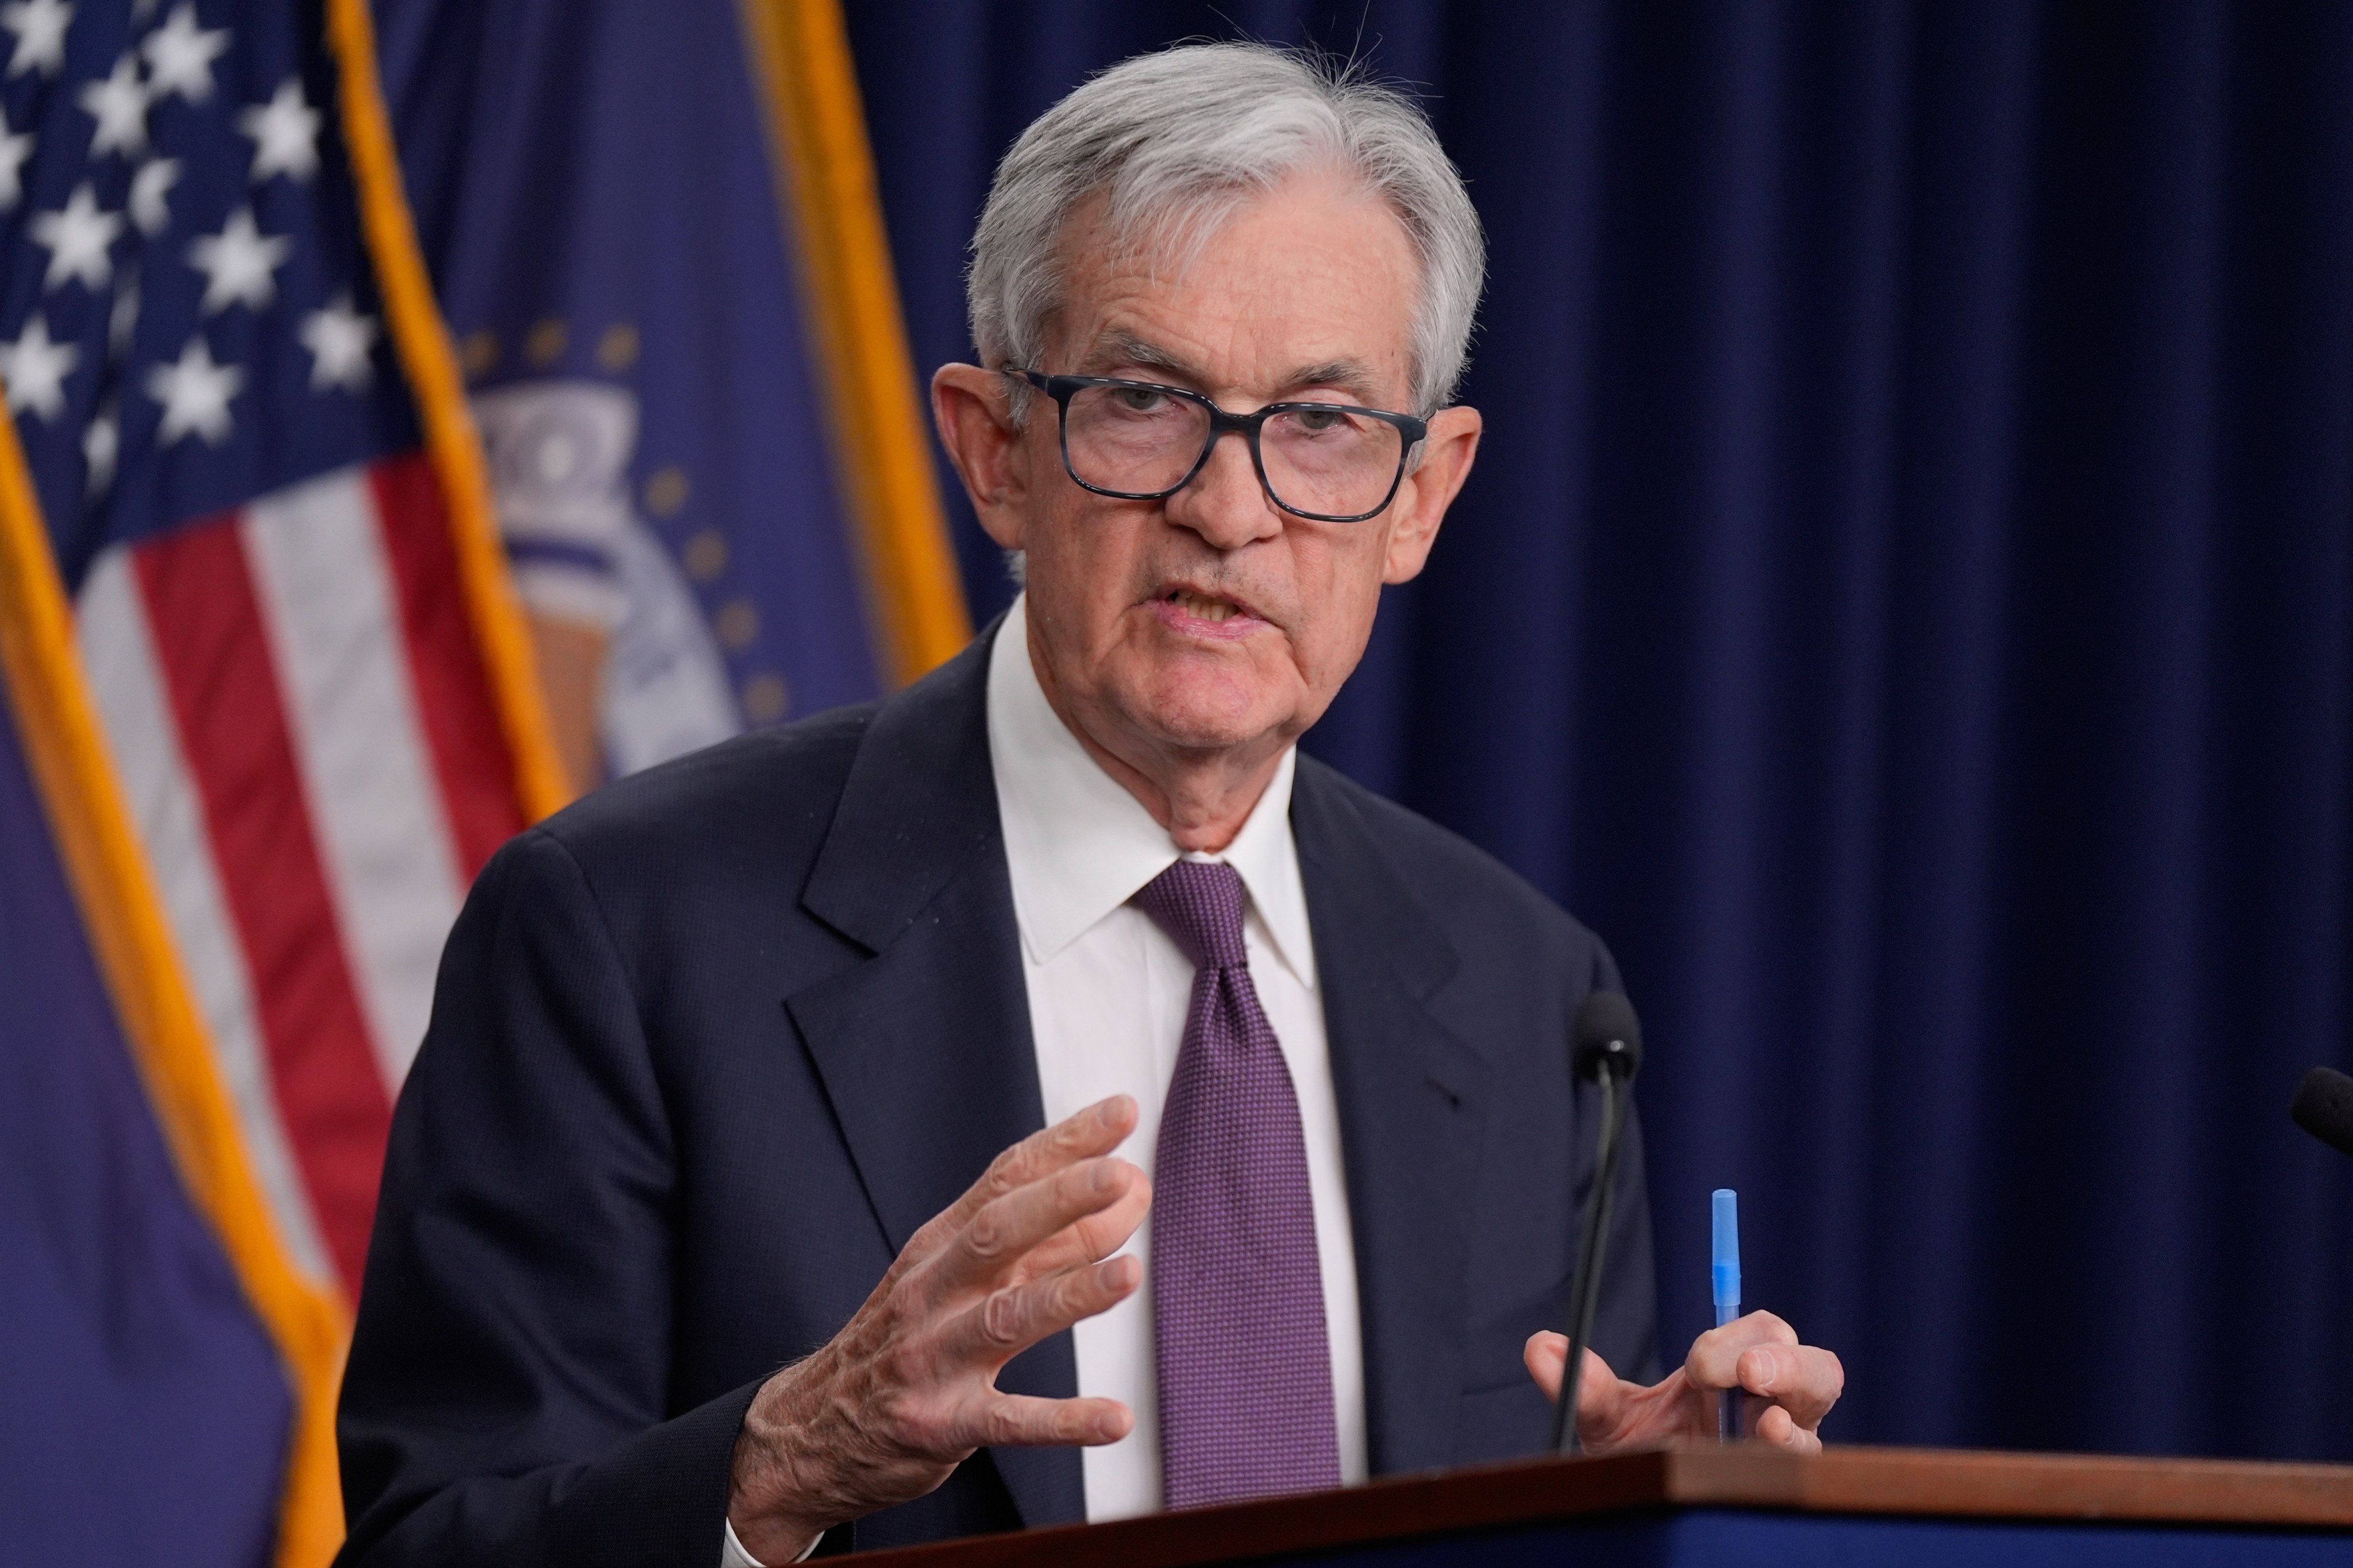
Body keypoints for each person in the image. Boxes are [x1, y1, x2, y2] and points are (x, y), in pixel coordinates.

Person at [335, 41, 1843, 1567]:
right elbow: (424, 1543)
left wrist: (1632, 1524)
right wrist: (776, 1466)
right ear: (996, 452)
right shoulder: (624, 935)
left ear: (1423, 497)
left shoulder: (1533, 1000)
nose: (1231, 507)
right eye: (1143, 401)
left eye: (1322, 424)